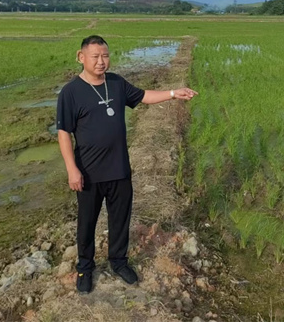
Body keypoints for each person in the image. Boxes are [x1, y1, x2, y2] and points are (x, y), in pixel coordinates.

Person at [56, 35, 198, 294]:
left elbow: (143, 96)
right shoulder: (70, 92)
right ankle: (85, 268)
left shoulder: (116, 83)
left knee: (120, 219)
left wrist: (172, 93)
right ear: (81, 57)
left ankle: (119, 262)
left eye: (105, 56)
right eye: (95, 56)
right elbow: (64, 133)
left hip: (119, 168)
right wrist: (71, 169)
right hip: (88, 172)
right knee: (86, 223)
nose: (101, 61)